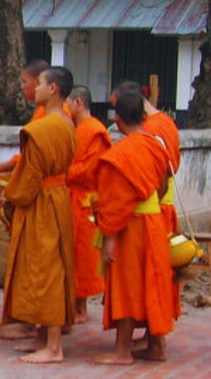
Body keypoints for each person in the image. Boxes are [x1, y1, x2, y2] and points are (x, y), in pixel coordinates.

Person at [89, 89, 175, 365]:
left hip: (130, 225)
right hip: (153, 220)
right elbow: (162, 186)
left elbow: (115, 201)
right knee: (153, 279)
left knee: (127, 283)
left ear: (117, 119)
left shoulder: (122, 153)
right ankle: (155, 344)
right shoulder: (156, 145)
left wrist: (110, 237)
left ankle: (122, 350)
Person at [0, 66, 77, 363]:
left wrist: (10, 196)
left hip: (41, 202)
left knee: (47, 271)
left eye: (40, 83)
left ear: (53, 89)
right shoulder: (67, 124)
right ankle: (43, 337)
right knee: (45, 265)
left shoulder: (42, 129)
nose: (35, 87)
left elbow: (29, 175)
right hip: (58, 199)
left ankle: (54, 346)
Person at [65, 85, 110, 323]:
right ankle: (74, 303)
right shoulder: (78, 129)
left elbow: (92, 168)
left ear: (79, 102)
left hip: (84, 199)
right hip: (72, 197)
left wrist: (64, 173)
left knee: (82, 254)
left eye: (68, 103)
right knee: (72, 253)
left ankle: (80, 307)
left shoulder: (95, 130)